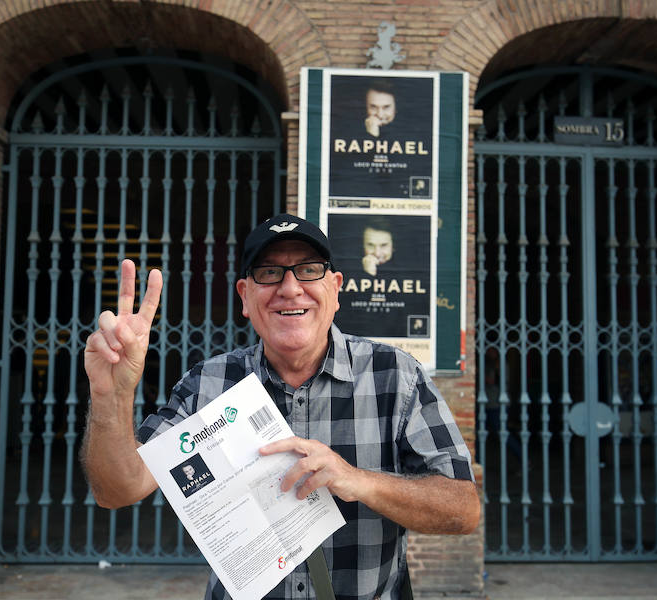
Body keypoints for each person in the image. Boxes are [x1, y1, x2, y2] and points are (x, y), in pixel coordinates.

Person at [81, 213, 480, 600]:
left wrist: (358, 480)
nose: (290, 289)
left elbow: (462, 510)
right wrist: (110, 395)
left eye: (308, 269)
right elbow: (119, 489)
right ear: (244, 296)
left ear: (336, 288)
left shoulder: (396, 376)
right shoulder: (208, 385)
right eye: (269, 273)